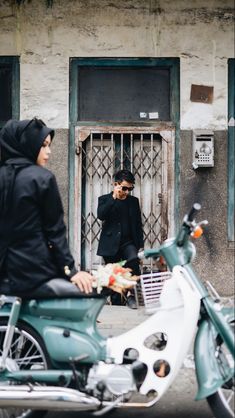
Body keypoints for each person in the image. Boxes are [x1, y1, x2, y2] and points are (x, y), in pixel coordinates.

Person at [0, 118, 93, 298]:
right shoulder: (42, 178)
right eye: (43, 145)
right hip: (32, 272)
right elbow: (55, 231)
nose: (48, 152)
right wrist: (71, 271)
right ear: (28, 145)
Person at [97, 169, 144, 309]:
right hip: (110, 244)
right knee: (114, 275)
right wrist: (114, 198)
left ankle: (131, 295)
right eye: (124, 188)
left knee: (133, 260)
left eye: (130, 188)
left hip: (128, 243)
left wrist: (139, 245)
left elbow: (137, 223)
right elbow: (101, 215)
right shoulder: (104, 199)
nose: (127, 191)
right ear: (116, 184)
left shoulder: (133, 201)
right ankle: (117, 305)